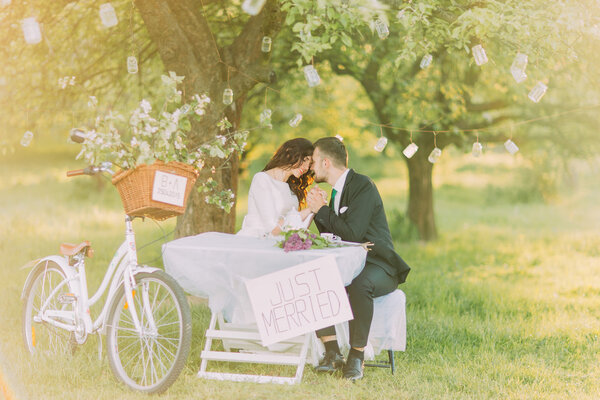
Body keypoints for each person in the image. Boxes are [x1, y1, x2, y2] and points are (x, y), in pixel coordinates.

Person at [306, 137, 411, 381]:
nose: (311, 167)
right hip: (351, 262)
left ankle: (356, 356)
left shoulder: (363, 185)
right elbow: (335, 235)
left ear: (325, 162)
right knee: (316, 276)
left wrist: (322, 210)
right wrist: (318, 211)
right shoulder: (335, 192)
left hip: (379, 265)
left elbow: (352, 233)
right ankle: (332, 353)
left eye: (312, 162)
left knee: (358, 283)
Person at [237, 138, 315, 238]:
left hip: (280, 243)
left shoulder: (291, 188)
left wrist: (315, 206)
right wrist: (309, 210)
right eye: (305, 160)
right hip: (257, 241)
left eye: (309, 164)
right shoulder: (262, 179)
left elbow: (297, 227)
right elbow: (272, 228)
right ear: (289, 153)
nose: (306, 168)